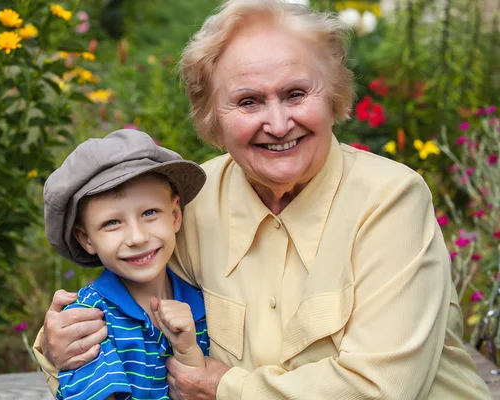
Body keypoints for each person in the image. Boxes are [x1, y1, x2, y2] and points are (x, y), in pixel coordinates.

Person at [33, 0, 494, 398]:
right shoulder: (189, 205)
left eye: (296, 94)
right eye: (249, 102)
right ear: (212, 119)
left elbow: (383, 388)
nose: (277, 123)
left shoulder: (391, 201)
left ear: (332, 95)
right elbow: (126, 304)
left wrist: (224, 388)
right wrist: (61, 345)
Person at [42, 129, 209, 400]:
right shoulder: (88, 321)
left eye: (150, 213)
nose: (137, 237)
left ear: (175, 215)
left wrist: (188, 349)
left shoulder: (200, 301)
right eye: (112, 223)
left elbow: (199, 388)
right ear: (87, 239)